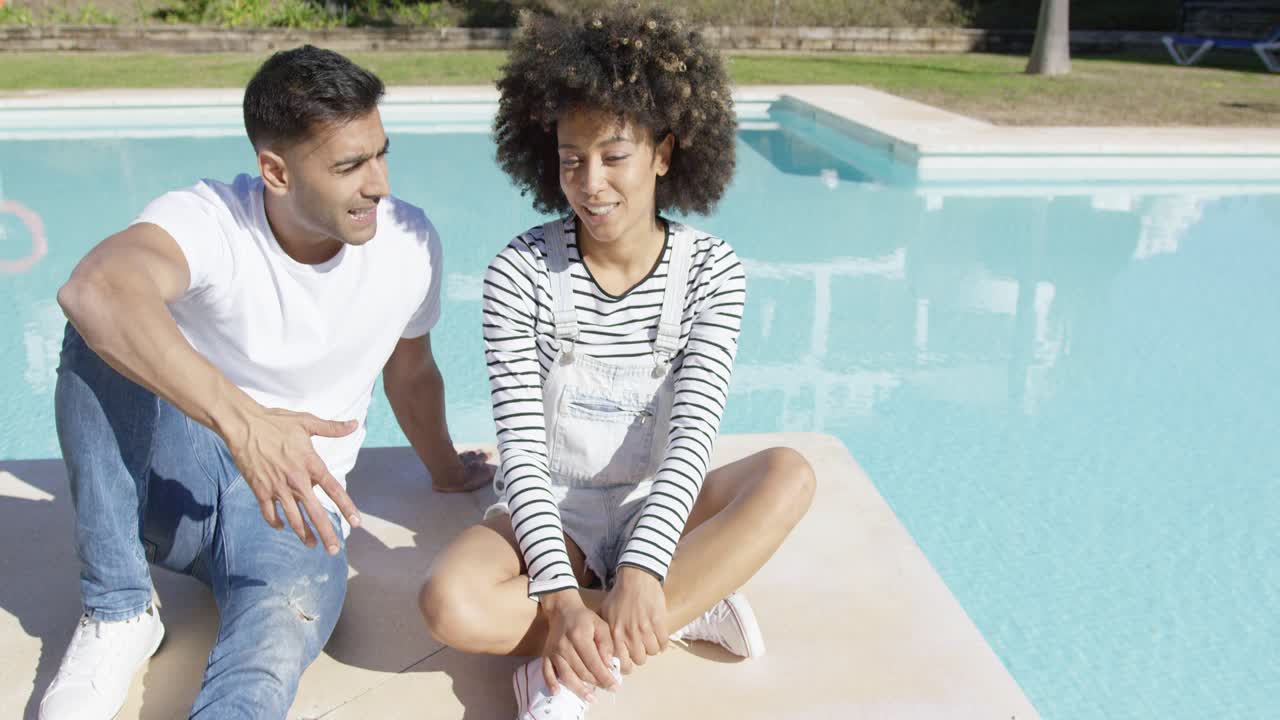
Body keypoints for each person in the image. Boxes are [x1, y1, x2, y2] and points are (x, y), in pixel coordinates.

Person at [39, 45, 491, 720]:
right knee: (100, 322)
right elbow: (95, 290)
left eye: (380, 155)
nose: (379, 185)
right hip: (174, 486)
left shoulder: (408, 240)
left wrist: (447, 469)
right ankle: (120, 609)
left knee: (262, 665)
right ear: (276, 172)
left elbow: (412, 369)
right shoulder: (211, 218)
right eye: (350, 166)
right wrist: (245, 423)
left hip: (297, 510)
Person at [420, 7, 816, 719]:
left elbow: (691, 440)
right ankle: (677, 611)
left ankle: (568, 667)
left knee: (789, 476)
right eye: (571, 158)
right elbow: (522, 453)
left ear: (663, 153)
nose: (591, 183)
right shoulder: (519, 272)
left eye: (614, 155)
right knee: (449, 604)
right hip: (553, 508)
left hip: (654, 502)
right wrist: (562, 602)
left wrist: (644, 565)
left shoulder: (713, 272)